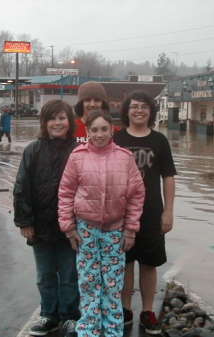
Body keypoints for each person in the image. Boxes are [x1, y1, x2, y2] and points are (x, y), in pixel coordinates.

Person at [58, 110, 145, 337]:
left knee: (112, 284)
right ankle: (88, 330)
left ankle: (113, 331)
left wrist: (130, 230)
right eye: (94, 130)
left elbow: (136, 195)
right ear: (87, 131)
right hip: (85, 230)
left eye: (104, 129)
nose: (99, 134)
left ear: (112, 130)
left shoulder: (125, 158)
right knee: (88, 283)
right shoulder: (77, 157)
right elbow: (65, 193)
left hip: (116, 231)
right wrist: (68, 228)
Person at [13, 100, 79, 337]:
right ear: (44, 122)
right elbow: (21, 187)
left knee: (70, 275)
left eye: (62, 118)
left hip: (71, 227)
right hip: (40, 226)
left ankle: (71, 316)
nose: (57, 123)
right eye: (52, 118)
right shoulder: (33, 150)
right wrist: (25, 222)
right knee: (45, 276)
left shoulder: (78, 150)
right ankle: (49, 315)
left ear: (69, 122)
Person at [114, 91, 177, 335]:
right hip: (120, 211)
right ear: (127, 111)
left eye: (144, 107)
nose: (139, 110)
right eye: (134, 107)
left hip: (151, 211)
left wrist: (168, 211)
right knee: (125, 262)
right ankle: (125, 308)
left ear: (151, 111)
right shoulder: (116, 139)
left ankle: (148, 310)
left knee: (149, 263)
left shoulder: (159, 141)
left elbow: (168, 177)